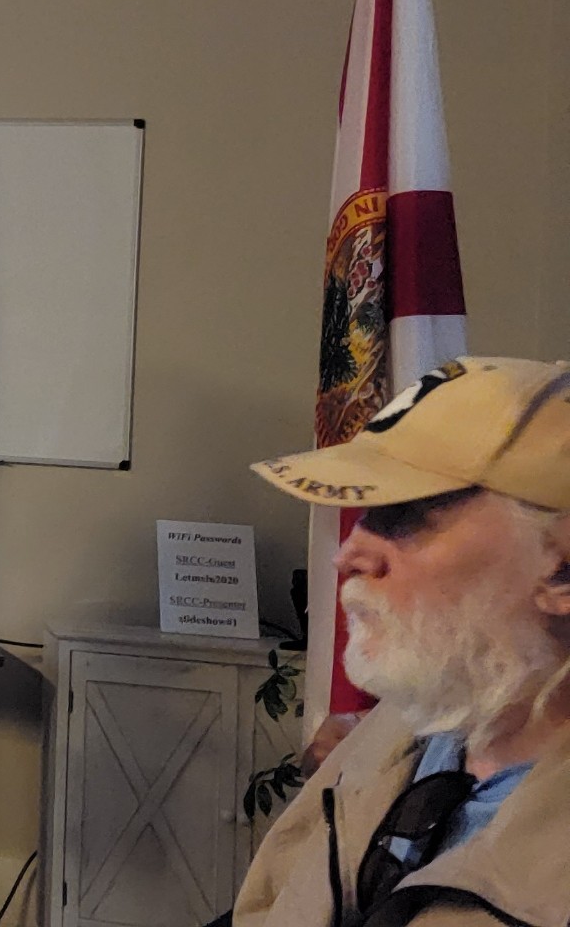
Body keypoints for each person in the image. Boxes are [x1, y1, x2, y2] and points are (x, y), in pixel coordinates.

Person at [226, 357, 570, 927]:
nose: (349, 555)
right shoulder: (394, 732)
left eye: (406, 515)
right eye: (369, 512)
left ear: (561, 573)